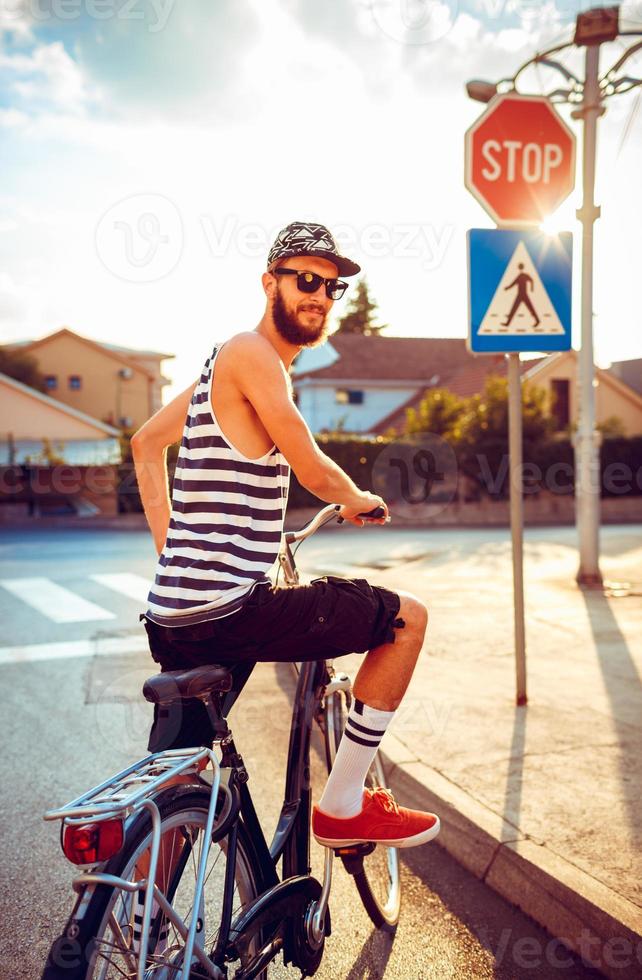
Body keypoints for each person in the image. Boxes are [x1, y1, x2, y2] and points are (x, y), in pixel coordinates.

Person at [132, 220, 440, 854]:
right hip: (231, 610)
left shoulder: (225, 366)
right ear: (268, 282)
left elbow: (144, 445)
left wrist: (176, 554)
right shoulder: (251, 352)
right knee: (407, 620)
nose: (319, 296)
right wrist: (357, 499)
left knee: (180, 779)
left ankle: (143, 928)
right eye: (305, 280)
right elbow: (309, 463)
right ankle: (344, 804)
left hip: (175, 613)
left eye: (332, 288)